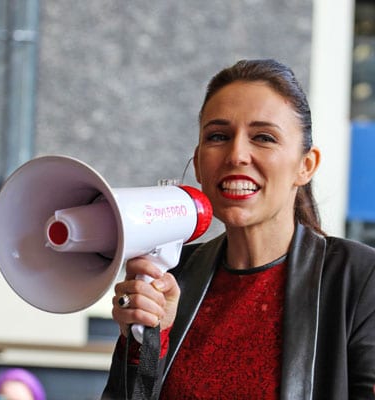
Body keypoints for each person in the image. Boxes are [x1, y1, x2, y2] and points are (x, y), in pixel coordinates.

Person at [101, 59, 375, 399]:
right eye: (218, 136)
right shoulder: (172, 275)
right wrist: (146, 344)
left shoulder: (360, 279)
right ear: (199, 163)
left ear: (305, 166)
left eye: (263, 137)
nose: (236, 155)